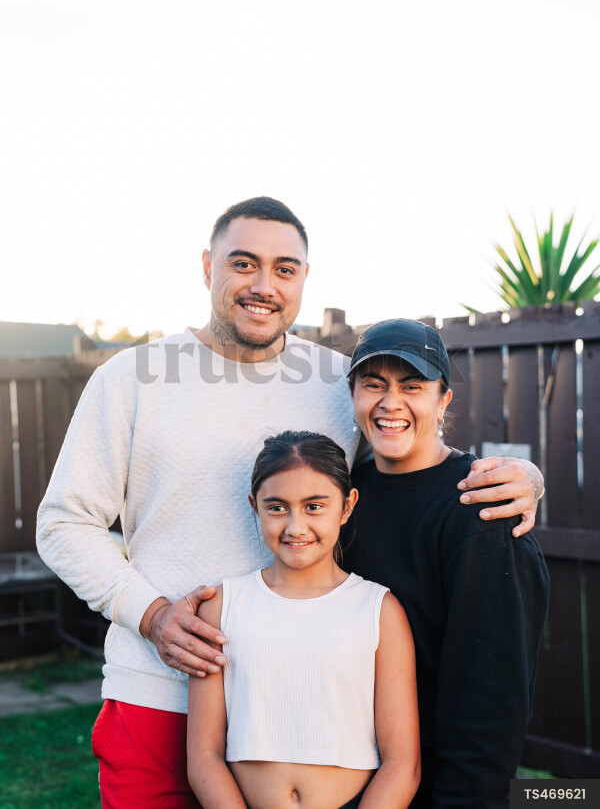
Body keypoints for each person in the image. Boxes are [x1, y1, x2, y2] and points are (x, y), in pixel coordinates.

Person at [36, 197, 544, 807]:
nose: (263, 285)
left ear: (304, 278)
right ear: (207, 266)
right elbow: (64, 523)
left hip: (304, 712)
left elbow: (408, 446)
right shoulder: (131, 378)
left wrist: (527, 476)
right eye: (243, 263)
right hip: (162, 691)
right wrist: (152, 615)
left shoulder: (336, 381)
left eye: (285, 268)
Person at [341, 318, 550, 808]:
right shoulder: (347, 496)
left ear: (443, 401)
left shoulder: (483, 509)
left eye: (412, 386)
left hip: (439, 788)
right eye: (374, 385)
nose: (390, 403)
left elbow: (491, 708)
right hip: (351, 779)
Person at [187, 431, 421, 809]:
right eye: (277, 507)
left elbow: (402, 763)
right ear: (254, 506)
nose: (295, 527)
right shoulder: (222, 608)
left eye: (314, 506)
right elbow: (203, 754)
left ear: (346, 507)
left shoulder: (379, 610)